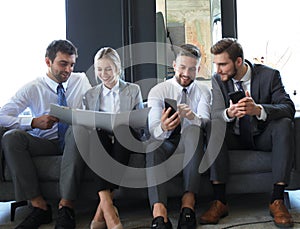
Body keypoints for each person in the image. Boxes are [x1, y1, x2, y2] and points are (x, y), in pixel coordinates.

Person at [199, 38, 295, 228]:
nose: (218, 70)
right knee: (214, 125)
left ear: (238, 62)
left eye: (223, 64)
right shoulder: (218, 79)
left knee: (284, 124)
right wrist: (229, 113)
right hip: (233, 136)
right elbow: (216, 113)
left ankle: (277, 200)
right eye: (216, 64)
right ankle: (220, 201)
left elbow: (288, 107)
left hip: (261, 136)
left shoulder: (270, 75)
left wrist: (258, 110)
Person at [0, 39, 91, 229]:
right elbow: (2, 116)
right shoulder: (33, 87)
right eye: (63, 64)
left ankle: (66, 207)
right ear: (48, 62)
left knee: (76, 129)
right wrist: (32, 122)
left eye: (72, 64)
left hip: (74, 140)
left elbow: (95, 107)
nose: (68, 70)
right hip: (46, 143)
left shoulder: (81, 80)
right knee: (11, 138)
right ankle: (39, 206)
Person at [59, 47, 144, 229]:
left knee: (123, 129)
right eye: (99, 69)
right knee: (96, 134)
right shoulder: (90, 95)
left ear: (117, 68)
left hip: (126, 137)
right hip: (101, 136)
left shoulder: (133, 90)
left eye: (108, 69)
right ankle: (108, 209)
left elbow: (141, 123)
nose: (103, 74)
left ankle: (102, 210)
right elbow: (87, 122)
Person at [146, 44, 211, 229]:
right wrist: (164, 127)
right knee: (152, 143)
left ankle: (188, 204)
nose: (186, 73)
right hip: (166, 142)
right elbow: (153, 129)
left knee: (194, 130)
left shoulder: (204, 91)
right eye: (182, 67)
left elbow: (205, 122)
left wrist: (192, 116)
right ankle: (159, 213)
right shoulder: (158, 91)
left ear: (198, 69)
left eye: (192, 69)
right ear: (174, 65)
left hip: (192, 144)